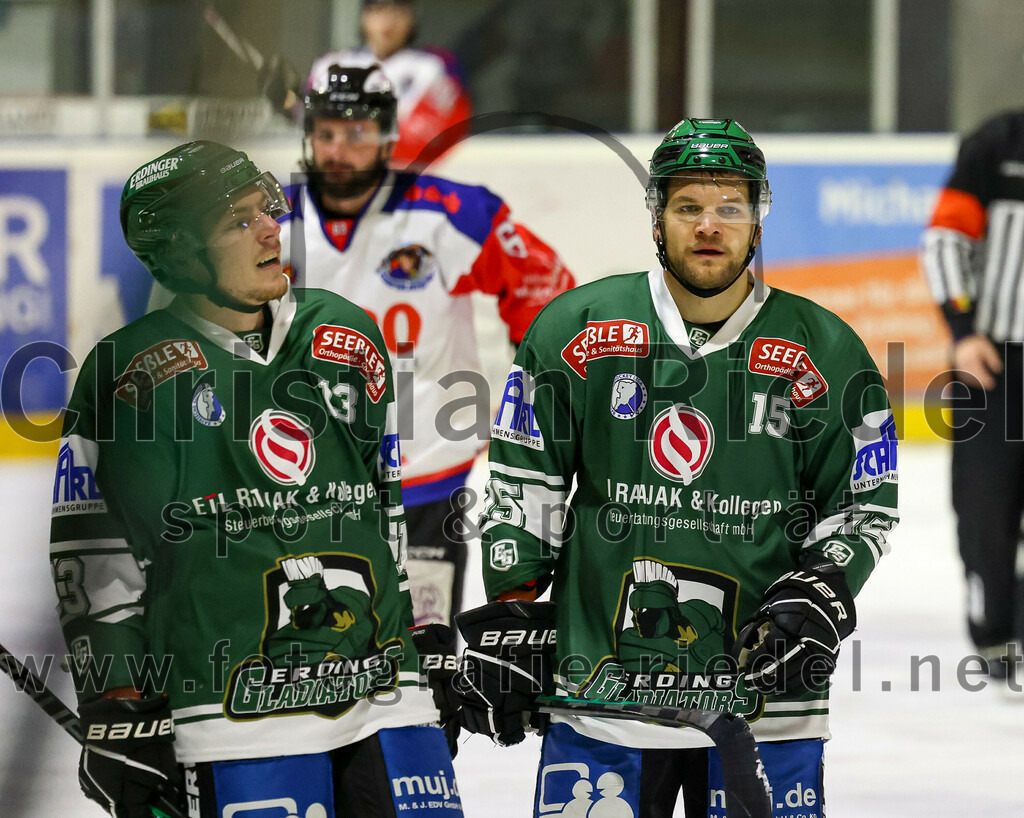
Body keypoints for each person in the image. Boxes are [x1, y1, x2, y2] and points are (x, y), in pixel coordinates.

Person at [454, 119, 899, 816]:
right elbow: (524, 481)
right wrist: (515, 607)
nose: (709, 226)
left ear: (758, 220)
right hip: (603, 690)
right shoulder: (573, 329)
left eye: (730, 207)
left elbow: (863, 501)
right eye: (688, 207)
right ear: (657, 219)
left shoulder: (827, 349)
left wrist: (823, 588)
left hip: (764, 700)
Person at [49, 140, 462, 817]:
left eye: (265, 208)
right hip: (229, 717)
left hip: (388, 698)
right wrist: (117, 699)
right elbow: (92, 554)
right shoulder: (126, 373)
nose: (272, 227)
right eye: (238, 221)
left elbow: (378, 502)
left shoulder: (345, 334)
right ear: (181, 253)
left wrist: (418, 641)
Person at [283, 63, 573, 628]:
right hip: (310, 478)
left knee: (423, 660)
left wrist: (529, 398)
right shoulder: (272, 222)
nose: (339, 149)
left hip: (428, 470)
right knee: (318, 650)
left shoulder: (452, 215)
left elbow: (546, 291)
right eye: (326, 133)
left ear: (389, 135)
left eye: (358, 133)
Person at [921, 110, 1024, 686]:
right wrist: (963, 332)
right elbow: (945, 240)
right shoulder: (999, 143)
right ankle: (994, 632)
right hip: (994, 363)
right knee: (986, 509)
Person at [307, 0, 472, 170]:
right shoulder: (330, 66)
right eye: (379, 10)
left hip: (410, 177)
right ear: (363, 16)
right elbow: (313, 126)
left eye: (399, 11)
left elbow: (448, 128)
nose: (388, 21)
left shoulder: (435, 66)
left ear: (412, 17)